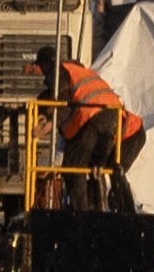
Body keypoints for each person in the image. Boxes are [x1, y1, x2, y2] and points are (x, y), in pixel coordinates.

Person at [53, 53, 147, 211]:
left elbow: (106, 133)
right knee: (93, 168)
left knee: (114, 169)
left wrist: (100, 160)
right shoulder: (78, 113)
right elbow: (65, 147)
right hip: (114, 134)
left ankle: (126, 211)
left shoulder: (90, 107)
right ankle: (95, 207)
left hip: (132, 134)